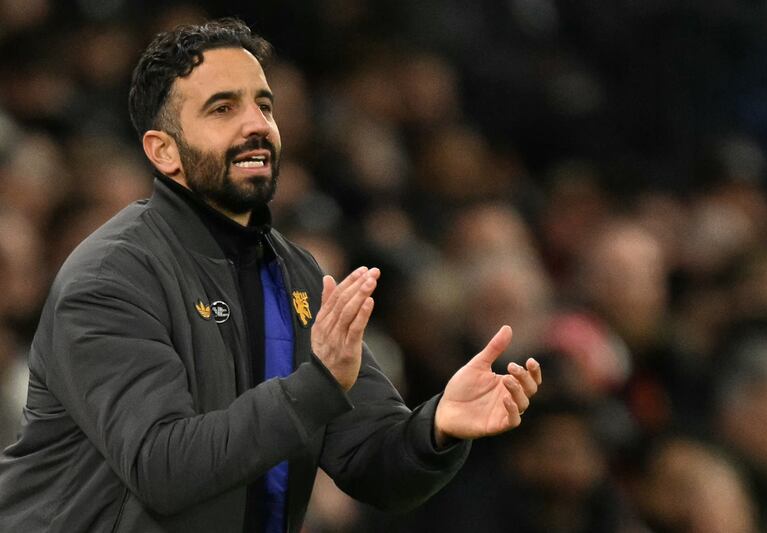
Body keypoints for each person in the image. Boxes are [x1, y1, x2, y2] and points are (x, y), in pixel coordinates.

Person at [0, 18, 542, 533]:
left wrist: (437, 427)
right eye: (222, 109)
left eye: (264, 104)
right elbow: (163, 468)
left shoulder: (294, 275)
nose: (257, 124)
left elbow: (371, 461)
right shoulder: (111, 277)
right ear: (163, 152)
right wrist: (317, 385)